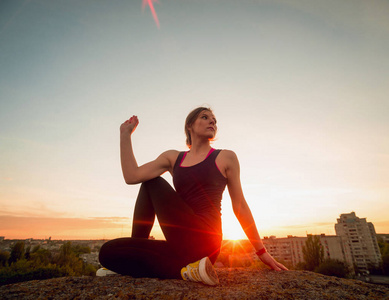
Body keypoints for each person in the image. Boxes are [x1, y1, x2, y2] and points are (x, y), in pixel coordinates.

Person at [98, 107, 288, 285]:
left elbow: (240, 206)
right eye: (205, 117)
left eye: (214, 120)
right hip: (180, 244)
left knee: (152, 182)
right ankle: (183, 269)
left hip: (207, 242)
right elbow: (132, 176)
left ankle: (143, 260)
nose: (212, 121)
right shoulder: (173, 158)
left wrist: (262, 251)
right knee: (106, 253)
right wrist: (125, 135)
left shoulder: (225, 157)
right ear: (189, 125)